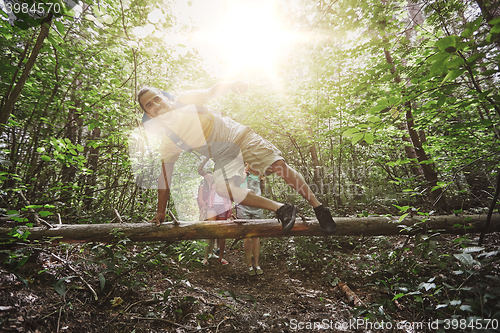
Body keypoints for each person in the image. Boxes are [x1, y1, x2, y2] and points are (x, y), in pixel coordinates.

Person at [137, 80, 337, 234]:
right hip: (223, 155)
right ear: (150, 115)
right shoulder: (169, 141)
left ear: (165, 97)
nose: (156, 104)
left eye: (157, 98)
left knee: (278, 165)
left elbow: (212, 90)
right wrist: (160, 211)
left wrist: (232, 84)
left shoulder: (186, 100)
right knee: (224, 189)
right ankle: (282, 209)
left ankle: (319, 209)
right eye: (149, 105)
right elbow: (165, 178)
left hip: (239, 136)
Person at [198, 158, 232, 265]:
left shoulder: (228, 179)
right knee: (210, 231)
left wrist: (230, 209)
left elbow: (231, 195)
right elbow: (199, 170)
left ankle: (221, 258)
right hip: (212, 207)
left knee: (222, 234)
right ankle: (205, 258)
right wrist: (207, 158)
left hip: (223, 207)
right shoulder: (210, 178)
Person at [237, 165, 264, 275]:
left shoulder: (260, 173)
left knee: (256, 237)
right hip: (243, 207)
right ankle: (249, 265)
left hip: (257, 207)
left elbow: (262, 189)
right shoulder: (242, 172)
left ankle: (257, 264)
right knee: (247, 237)